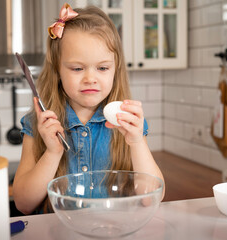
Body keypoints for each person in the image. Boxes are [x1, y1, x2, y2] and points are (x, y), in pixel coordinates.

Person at [13, 3, 164, 215]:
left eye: (102, 68)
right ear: (57, 70)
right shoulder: (37, 124)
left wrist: (136, 142)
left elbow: (151, 198)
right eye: (77, 68)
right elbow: (23, 203)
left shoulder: (128, 122)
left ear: (115, 69)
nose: (90, 79)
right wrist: (52, 152)